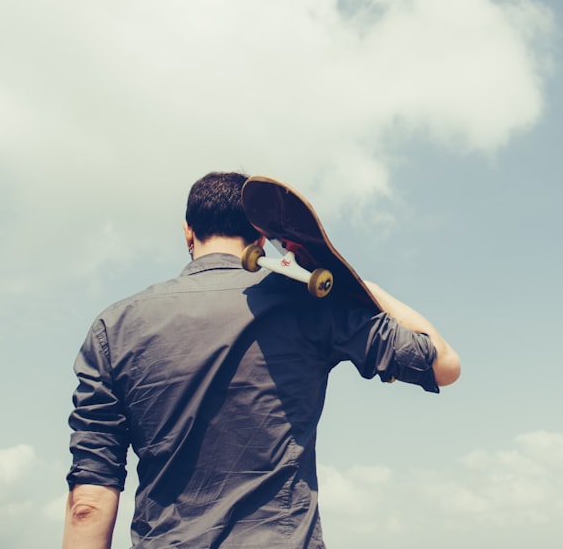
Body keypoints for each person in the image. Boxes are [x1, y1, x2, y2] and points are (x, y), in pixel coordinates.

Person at [63, 171, 460, 549]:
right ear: (261, 233)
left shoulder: (113, 328)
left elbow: (88, 503)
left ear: (188, 231)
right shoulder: (308, 302)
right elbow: (443, 364)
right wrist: (364, 288)